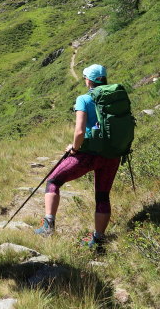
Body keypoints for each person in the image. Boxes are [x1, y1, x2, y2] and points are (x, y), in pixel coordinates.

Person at [35, 64, 121, 250]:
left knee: (53, 181)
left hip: (88, 154)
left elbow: (80, 130)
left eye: (84, 78)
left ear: (88, 80)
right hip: (112, 154)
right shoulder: (116, 97)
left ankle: (48, 226)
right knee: (102, 196)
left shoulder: (84, 99)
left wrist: (74, 149)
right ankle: (98, 240)